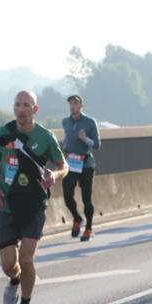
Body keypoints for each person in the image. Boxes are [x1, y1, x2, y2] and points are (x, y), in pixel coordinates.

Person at [0, 90, 67, 304]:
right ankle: (14, 280)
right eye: (17, 105)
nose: (21, 109)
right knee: (8, 264)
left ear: (35, 109)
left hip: (34, 205)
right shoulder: (2, 134)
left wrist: (55, 175)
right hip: (8, 205)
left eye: (26, 105)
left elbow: (64, 166)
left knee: (26, 258)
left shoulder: (45, 137)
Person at [60, 95, 101, 242]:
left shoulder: (90, 122)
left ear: (81, 106)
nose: (72, 106)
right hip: (71, 163)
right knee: (67, 196)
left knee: (86, 198)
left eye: (75, 103)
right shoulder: (65, 121)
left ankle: (88, 228)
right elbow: (67, 137)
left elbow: (97, 145)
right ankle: (77, 218)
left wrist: (85, 139)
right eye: (70, 103)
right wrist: (64, 144)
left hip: (86, 164)